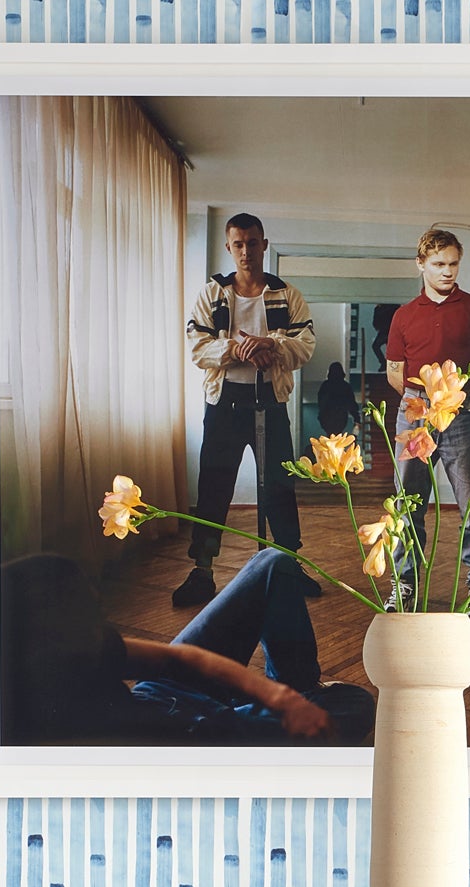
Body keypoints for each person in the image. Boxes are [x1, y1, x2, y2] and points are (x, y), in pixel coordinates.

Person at [2, 550, 374, 747]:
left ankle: (297, 697)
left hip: (160, 694)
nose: (100, 604)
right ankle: (290, 712)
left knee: (273, 564)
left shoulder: (45, 641)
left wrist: (280, 697)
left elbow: (173, 657)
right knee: (357, 703)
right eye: (87, 609)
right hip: (197, 736)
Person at [174, 213, 317, 609]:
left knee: (279, 486)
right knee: (214, 485)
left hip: (269, 403)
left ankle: (290, 565)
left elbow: (304, 345)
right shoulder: (212, 294)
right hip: (224, 405)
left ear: (264, 245)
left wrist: (271, 346)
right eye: (238, 244)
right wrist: (234, 349)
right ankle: (202, 570)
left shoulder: (286, 294)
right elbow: (196, 348)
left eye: (253, 243)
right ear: (228, 248)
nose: (246, 251)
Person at [385, 228, 470, 617]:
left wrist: (460, 399)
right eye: (438, 264)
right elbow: (394, 373)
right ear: (420, 264)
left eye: (453, 264)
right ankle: (404, 584)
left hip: (462, 412)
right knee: (407, 503)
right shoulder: (403, 316)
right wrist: (422, 403)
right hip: (415, 411)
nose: (447, 272)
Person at [316, 360, 360, 437]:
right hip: (340, 418)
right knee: (337, 437)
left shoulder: (325, 385)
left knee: (331, 436)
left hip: (326, 417)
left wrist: (321, 415)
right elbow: (351, 403)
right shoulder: (345, 386)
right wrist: (357, 418)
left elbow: (321, 402)